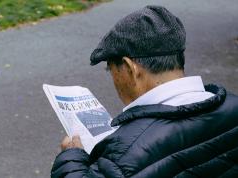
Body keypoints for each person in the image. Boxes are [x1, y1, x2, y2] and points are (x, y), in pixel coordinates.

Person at [51, 5, 238, 178]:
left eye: (110, 69)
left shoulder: (125, 154)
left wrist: (71, 161)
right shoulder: (233, 106)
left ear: (129, 67)